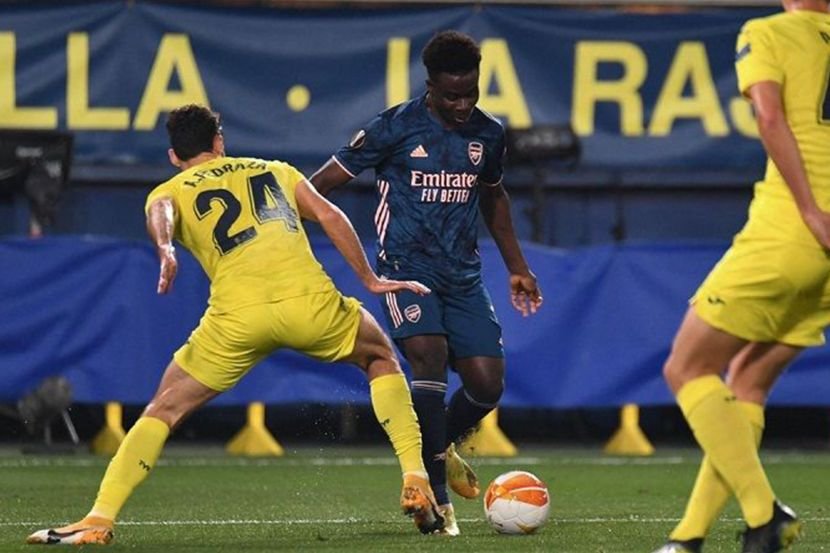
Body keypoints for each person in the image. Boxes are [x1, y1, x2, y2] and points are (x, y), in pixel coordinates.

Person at [26, 104, 446, 545]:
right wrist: (369, 279)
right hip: (308, 303)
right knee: (379, 357)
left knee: (163, 408)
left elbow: (161, 212)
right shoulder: (275, 170)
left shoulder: (170, 189)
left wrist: (166, 248)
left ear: (174, 156)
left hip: (238, 318)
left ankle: (99, 518)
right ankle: (414, 476)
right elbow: (329, 215)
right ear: (219, 142)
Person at [310, 30, 542, 536]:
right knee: (429, 356)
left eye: (470, 93)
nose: (462, 105)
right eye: (451, 95)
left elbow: (494, 197)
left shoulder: (488, 133)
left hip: (463, 275)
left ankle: (437, 448)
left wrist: (518, 267)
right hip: (405, 269)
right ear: (430, 86)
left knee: (487, 385)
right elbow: (319, 187)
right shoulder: (394, 126)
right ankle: (437, 501)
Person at [654, 1, 830, 552]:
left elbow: (770, 117)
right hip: (825, 261)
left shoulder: (768, 31)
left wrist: (810, 210)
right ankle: (688, 538)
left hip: (791, 234)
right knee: (747, 383)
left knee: (687, 367)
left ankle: (765, 514)